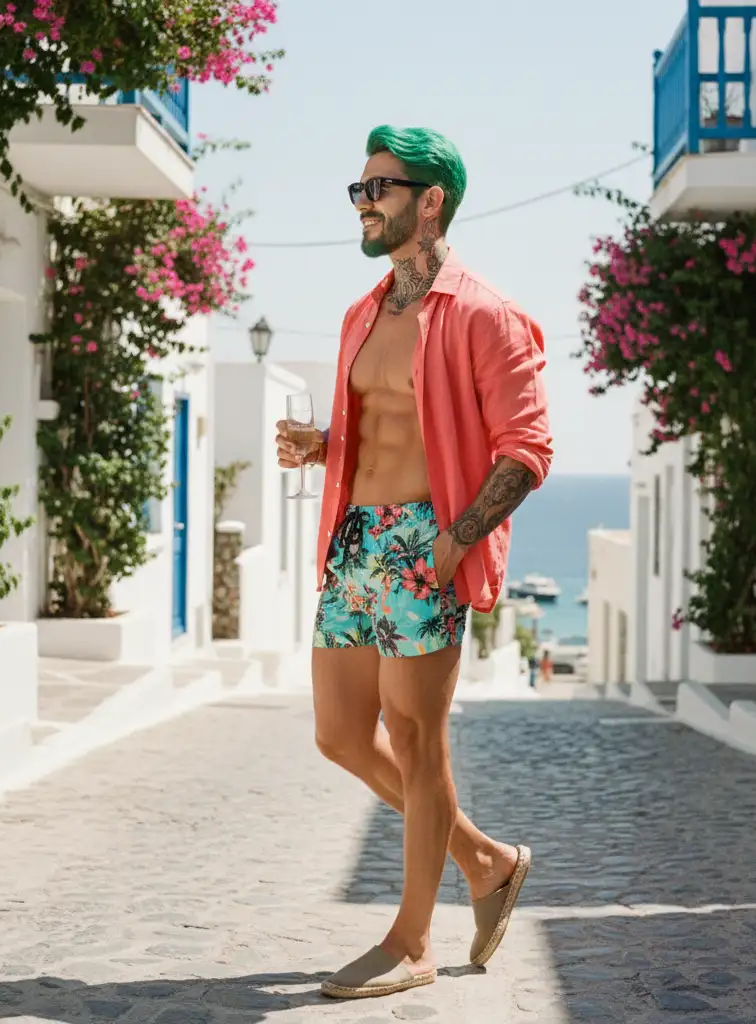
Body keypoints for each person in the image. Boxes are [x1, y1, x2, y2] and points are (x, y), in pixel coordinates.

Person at [275, 125, 553, 1000]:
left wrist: (457, 538)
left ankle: (413, 940)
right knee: (338, 733)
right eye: (358, 189)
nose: (364, 203)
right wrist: (323, 445)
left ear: (431, 201)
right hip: (355, 540)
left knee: (415, 738)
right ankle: (485, 860)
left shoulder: (485, 313)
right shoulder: (362, 312)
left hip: (426, 544)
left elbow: (528, 448)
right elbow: (389, 424)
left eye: (381, 188)